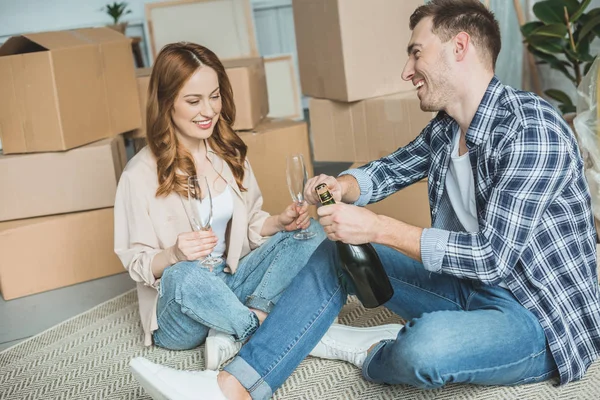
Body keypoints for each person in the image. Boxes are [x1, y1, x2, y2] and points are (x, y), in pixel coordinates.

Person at [129, 0, 600, 398]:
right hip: (464, 287)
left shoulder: (530, 128)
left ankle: (369, 352)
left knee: (424, 349)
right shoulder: (445, 130)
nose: (406, 70)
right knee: (336, 249)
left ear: (460, 48)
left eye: (417, 53)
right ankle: (233, 386)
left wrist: (376, 228)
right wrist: (338, 187)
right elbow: (387, 169)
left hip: (535, 315)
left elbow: (494, 258)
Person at [114, 42, 326, 372]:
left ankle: (239, 325)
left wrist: (279, 223)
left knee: (310, 232)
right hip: (182, 309)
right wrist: (174, 254)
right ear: (167, 103)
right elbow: (136, 262)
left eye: (215, 96)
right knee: (184, 274)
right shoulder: (137, 175)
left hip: (232, 280)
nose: (209, 110)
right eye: (193, 100)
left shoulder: (228, 153)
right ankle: (270, 330)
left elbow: (251, 224)